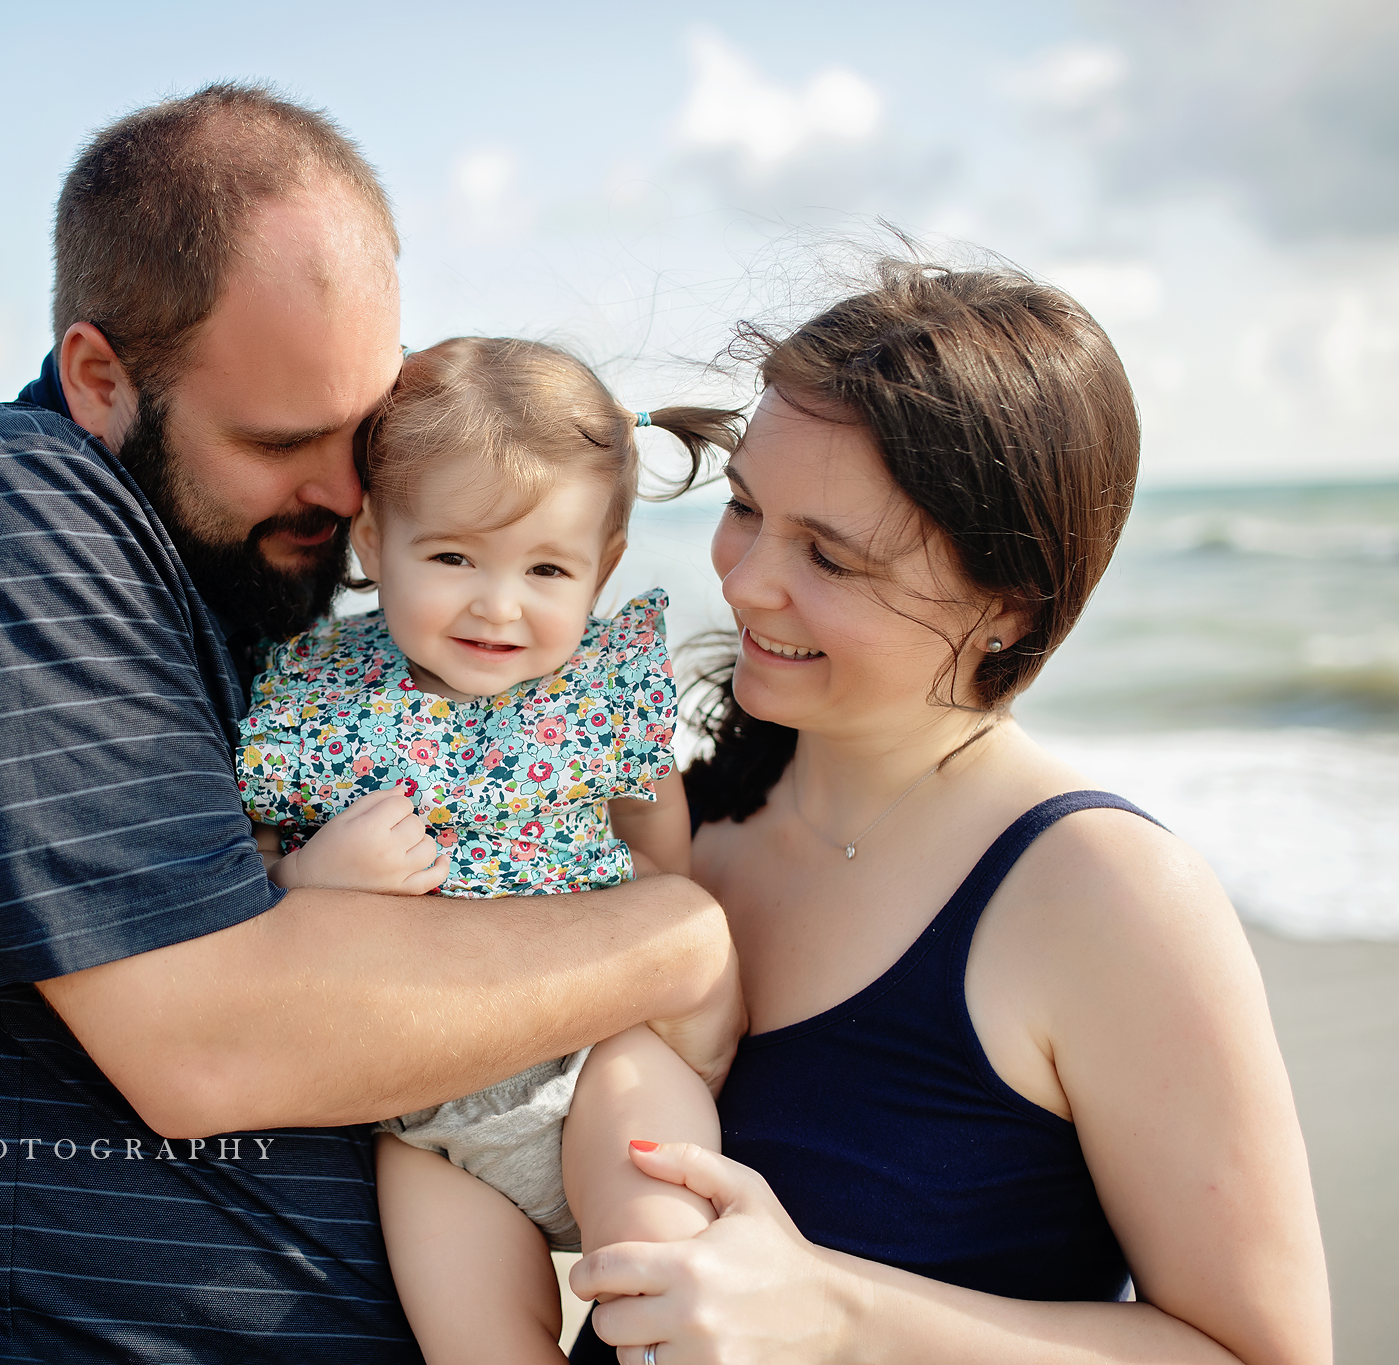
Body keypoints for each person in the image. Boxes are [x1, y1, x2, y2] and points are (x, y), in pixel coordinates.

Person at [0, 84, 740, 1363]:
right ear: (99, 378)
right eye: (282, 439)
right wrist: (671, 935)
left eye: (363, 432)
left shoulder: (234, 569)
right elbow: (208, 1048)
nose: (346, 495)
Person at [569, 261, 1332, 1364]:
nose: (741, 581)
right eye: (743, 507)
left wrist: (836, 1314)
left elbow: (1264, 1353)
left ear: (1004, 603)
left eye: (827, 555)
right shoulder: (676, 821)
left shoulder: (1101, 895)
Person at [235, 336, 744, 1362]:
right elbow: (239, 881)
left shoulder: (599, 687)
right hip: (420, 1112)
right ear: (374, 542)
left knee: (660, 1275)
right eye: (454, 557)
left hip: (603, 1048)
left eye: (546, 568)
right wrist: (305, 876)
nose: (497, 604)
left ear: (601, 567)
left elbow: (651, 824)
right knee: (474, 1341)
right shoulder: (317, 697)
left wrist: (661, 917)